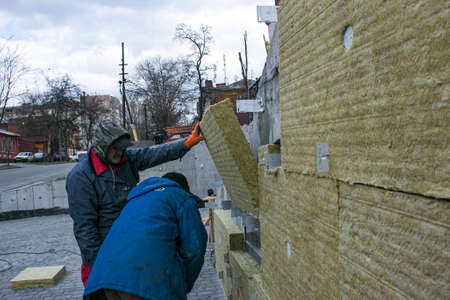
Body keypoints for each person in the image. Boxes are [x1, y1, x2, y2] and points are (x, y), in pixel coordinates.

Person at [66, 120, 205, 287]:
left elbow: (155, 154)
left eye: (122, 148)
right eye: (115, 148)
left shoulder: (125, 160)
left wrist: (186, 144)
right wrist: (99, 266)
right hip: (103, 256)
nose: (120, 152)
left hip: (129, 247)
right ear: (101, 146)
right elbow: (84, 228)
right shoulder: (81, 177)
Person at [83, 172, 208, 300]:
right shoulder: (181, 197)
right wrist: (183, 284)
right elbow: (194, 249)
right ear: (184, 189)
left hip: (103, 280)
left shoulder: (135, 200)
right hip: (146, 282)